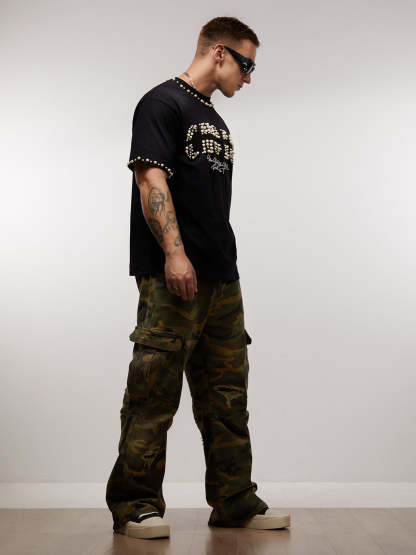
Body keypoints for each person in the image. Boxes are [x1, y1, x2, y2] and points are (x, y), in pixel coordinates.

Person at [105, 16, 291, 540]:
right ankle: (135, 504)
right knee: (153, 391)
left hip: (222, 277)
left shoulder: (215, 119)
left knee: (227, 396)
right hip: (173, 275)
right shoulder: (161, 103)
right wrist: (174, 253)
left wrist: (219, 264)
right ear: (218, 52)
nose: (248, 78)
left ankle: (234, 500)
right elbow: (150, 180)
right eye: (246, 65)